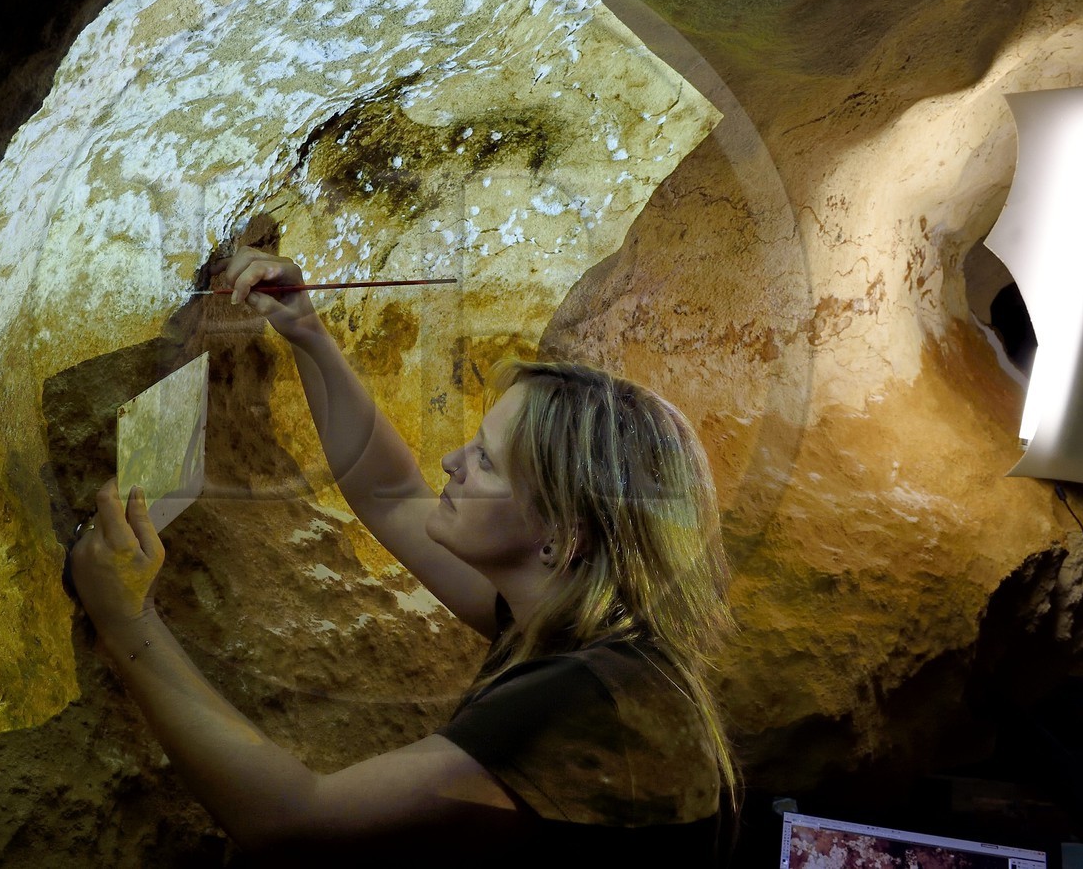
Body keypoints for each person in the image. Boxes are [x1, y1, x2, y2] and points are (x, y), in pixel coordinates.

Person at [68, 245, 738, 863]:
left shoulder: (580, 703)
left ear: (562, 536)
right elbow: (391, 495)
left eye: (485, 461)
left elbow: (295, 824)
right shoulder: (580, 627)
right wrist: (306, 332)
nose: (451, 462)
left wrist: (128, 621)